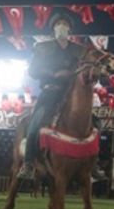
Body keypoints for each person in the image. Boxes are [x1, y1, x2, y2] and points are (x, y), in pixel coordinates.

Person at [18, 12, 107, 181]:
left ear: (70, 29)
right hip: (51, 91)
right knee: (36, 121)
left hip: (72, 93)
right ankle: (28, 163)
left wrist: (100, 70)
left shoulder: (80, 50)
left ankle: (93, 164)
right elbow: (32, 70)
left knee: (96, 123)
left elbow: (90, 66)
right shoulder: (42, 48)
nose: (62, 27)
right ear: (53, 29)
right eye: (58, 24)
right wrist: (54, 74)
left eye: (65, 25)